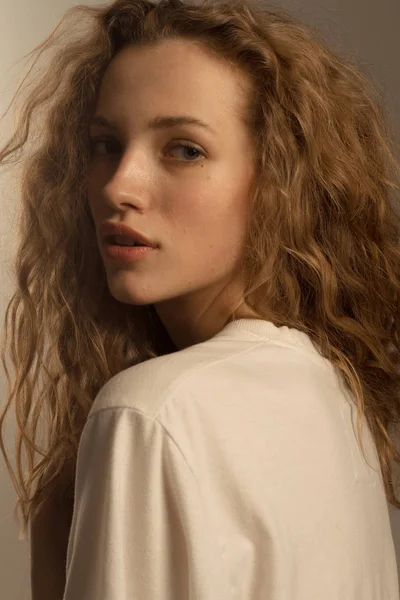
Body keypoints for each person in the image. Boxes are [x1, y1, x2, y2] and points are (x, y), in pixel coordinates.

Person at [0, 0, 399, 598]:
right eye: (105, 144)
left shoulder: (151, 413)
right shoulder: (334, 393)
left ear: (276, 180)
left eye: (184, 149)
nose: (118, 185)